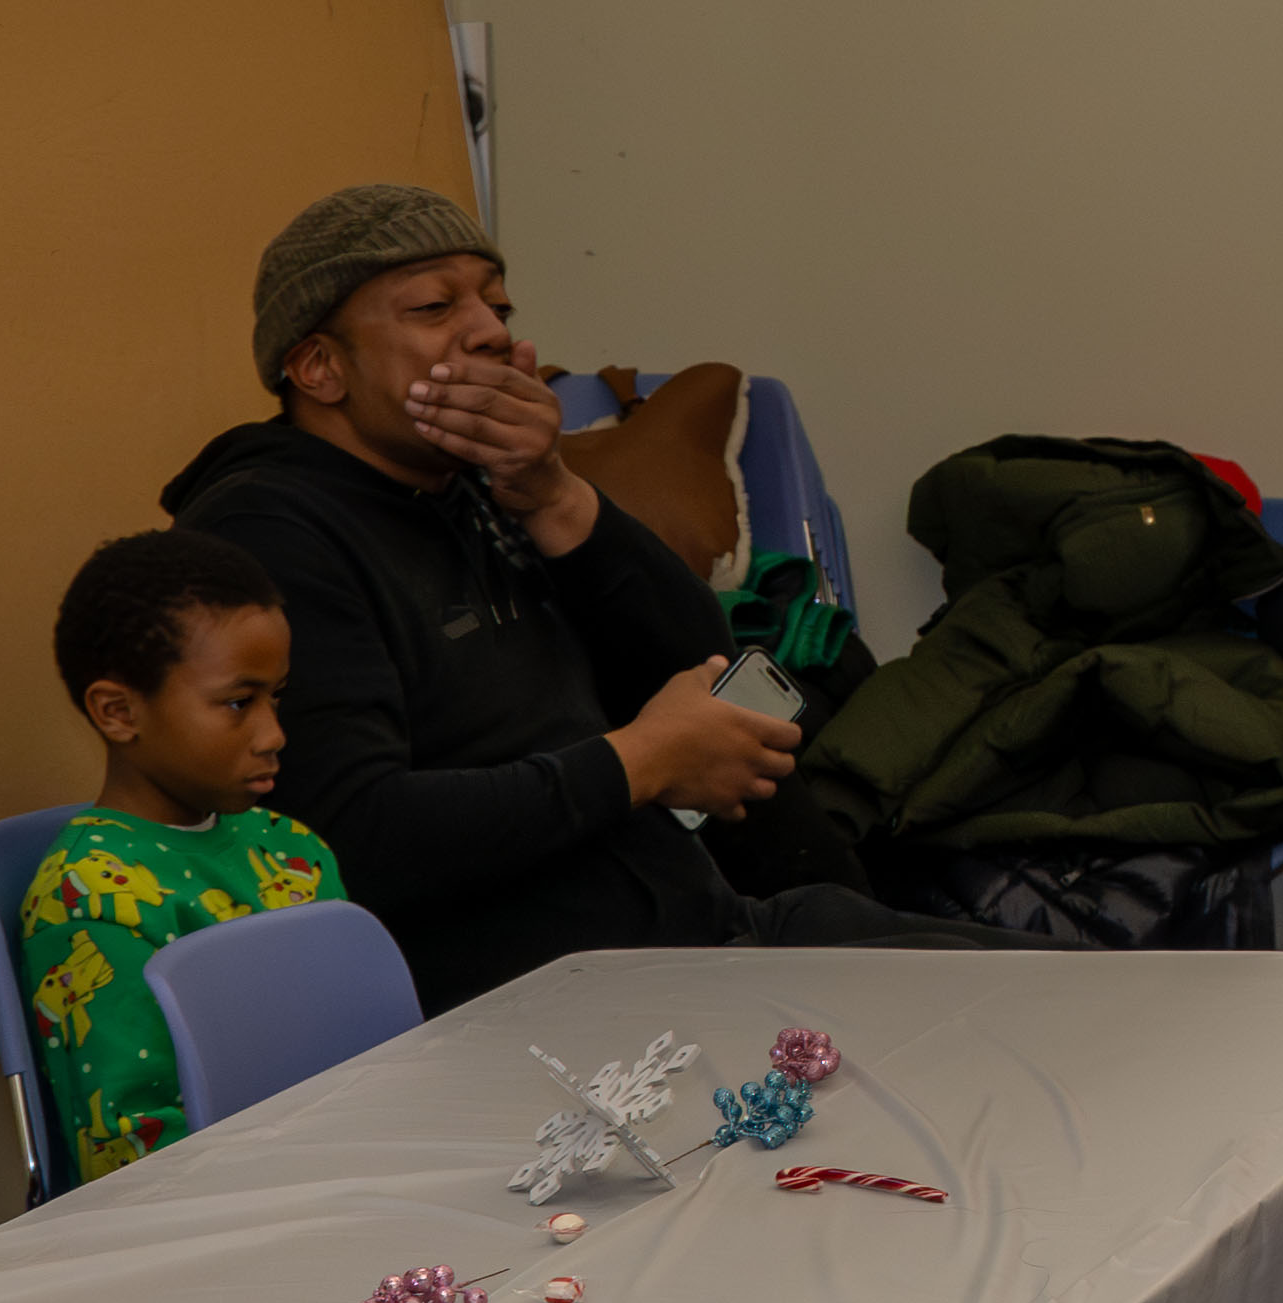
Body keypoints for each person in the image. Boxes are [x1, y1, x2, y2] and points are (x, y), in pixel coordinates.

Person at [159, 187, 830, 1014]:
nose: (489, 332)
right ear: (320, 368)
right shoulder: (269, 534)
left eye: (497, 305)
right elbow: (352, 836)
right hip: (547, 1008)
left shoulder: (476, 487)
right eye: (435, 306)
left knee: (988, 983)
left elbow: (707, 660)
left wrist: (555, 495)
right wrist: (643, 761)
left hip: (703, 934)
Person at [11, 527, 339, 1183]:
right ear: (118, 712)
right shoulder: (90, 900)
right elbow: (134, 1160)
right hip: (219, 1214)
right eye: (238, 703)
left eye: (276, 697)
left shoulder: (293, 849)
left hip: (341, 1169)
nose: (274, 733)